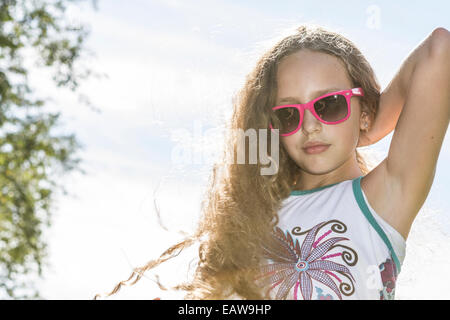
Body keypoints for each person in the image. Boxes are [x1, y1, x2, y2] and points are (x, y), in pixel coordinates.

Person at [94, 24, 449, 300]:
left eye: (329, 105)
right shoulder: (251, 220)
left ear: (364, 109)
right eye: (288, 115)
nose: (310, 126)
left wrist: (366, 126)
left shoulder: (382, 200)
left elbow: (440, 48)